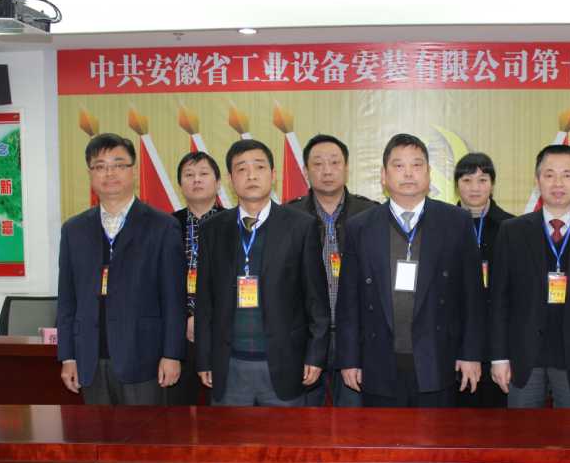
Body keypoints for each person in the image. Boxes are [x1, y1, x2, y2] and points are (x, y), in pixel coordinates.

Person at [336, 133, 485, 407]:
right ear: (384, 176)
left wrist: (470, 354)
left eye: (417, 165)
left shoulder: (456, 222)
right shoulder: (361, 226)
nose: (408, 173)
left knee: (436, 436)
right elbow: (349, 301)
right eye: (398, 165)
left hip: (439, 359)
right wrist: (349, 359)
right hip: (378, 362)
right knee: (382, 435)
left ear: (429, 174)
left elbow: (472, 296)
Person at [195, 139, 330, 406]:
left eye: (259, 167)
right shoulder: (213, 229)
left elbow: (316, 300)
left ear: (273, 175)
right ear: (230, 180)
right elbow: (205, 302)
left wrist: (315, 355)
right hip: (229, 366)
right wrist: (204, 358)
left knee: (286, 435)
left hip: (285, 362)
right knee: (229, 435)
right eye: (242, 169)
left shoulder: (301, 227)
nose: (251, 175)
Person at [57, 133, 185, 405]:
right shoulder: (73, 230)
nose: (109, 173)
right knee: (97, 432)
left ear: (133, 171)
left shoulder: (162, 226)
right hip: (90, 358)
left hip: (145, 358)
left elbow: (174, 298)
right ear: (90, 174)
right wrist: (67, 356)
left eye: (118, 164)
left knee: (143, 433)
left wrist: (172, 354)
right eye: (100, 166)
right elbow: (67, 299)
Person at [490, 144, 570, 408]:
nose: (558, 183)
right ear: (537, 180)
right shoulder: (512, 231)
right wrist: (499, 357)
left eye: (567, 175)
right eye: (549, 175)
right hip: (523, 359)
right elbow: (499, 300)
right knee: (523, 433)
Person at [286, 134, 377, 407]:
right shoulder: (288, 217)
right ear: (305, 171)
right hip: (305, 338)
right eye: (318, 164)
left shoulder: (370, 214)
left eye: (335, 162)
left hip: (357, 338)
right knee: (304, 421)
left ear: (346, 168)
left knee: (355, 421)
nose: (327, 171)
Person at [453, 152, 513, 408]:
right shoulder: (442, 225)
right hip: (454, 338)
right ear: (457, 185)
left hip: (497, 339)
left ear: (492, 184)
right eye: (467, 180)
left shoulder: (511, 226)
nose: (475, 188)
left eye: (482, 180)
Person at [165, 151, 225, 405]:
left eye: (203, 174)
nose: (196, 180)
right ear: (180, 185)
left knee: (221, 412)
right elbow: (160, 283)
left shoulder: (234, 224)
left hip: (221, 333)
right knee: (174, 413)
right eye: (189, 175)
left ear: (218, 182)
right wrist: (185, 318)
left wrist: (203, 318)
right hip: (175, 334)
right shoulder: (166, 225)